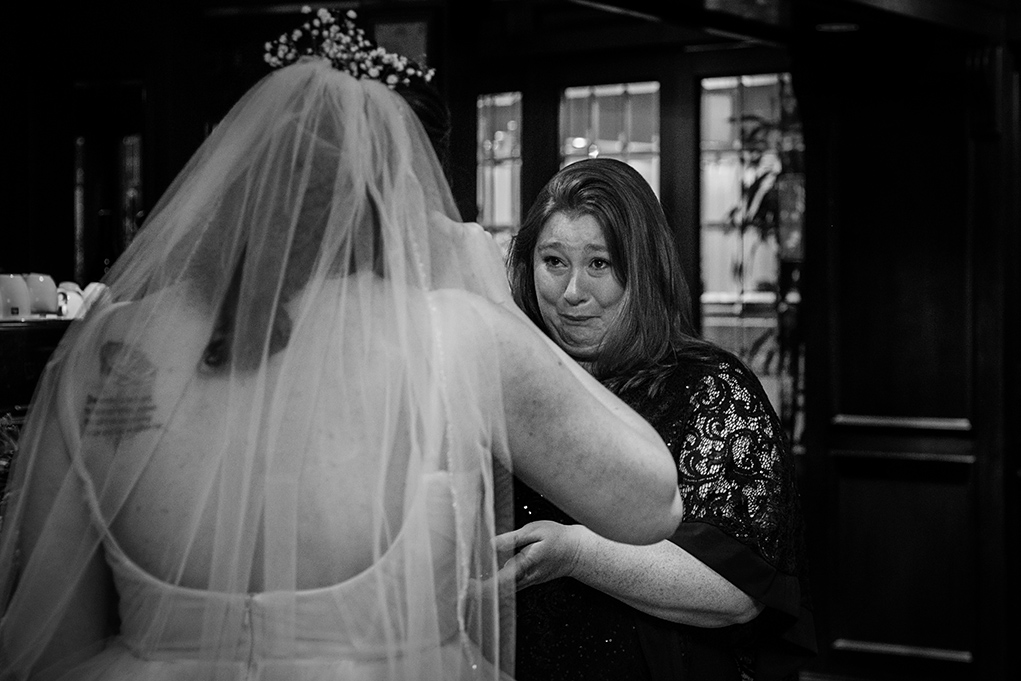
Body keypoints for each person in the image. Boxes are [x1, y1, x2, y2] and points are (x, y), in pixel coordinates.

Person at [0, 21, 684, 681]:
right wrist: (495, 308)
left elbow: (53, 640)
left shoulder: (107, 345)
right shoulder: (452, 336)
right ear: (399, 185)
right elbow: (650, 501)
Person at [502, 158, 816, 680]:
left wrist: (575, 552)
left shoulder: (711, 389)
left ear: (643, 269)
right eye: (554, 261)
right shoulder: (510, 382)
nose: (573, 291)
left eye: (599, 263)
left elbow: (738, 592)